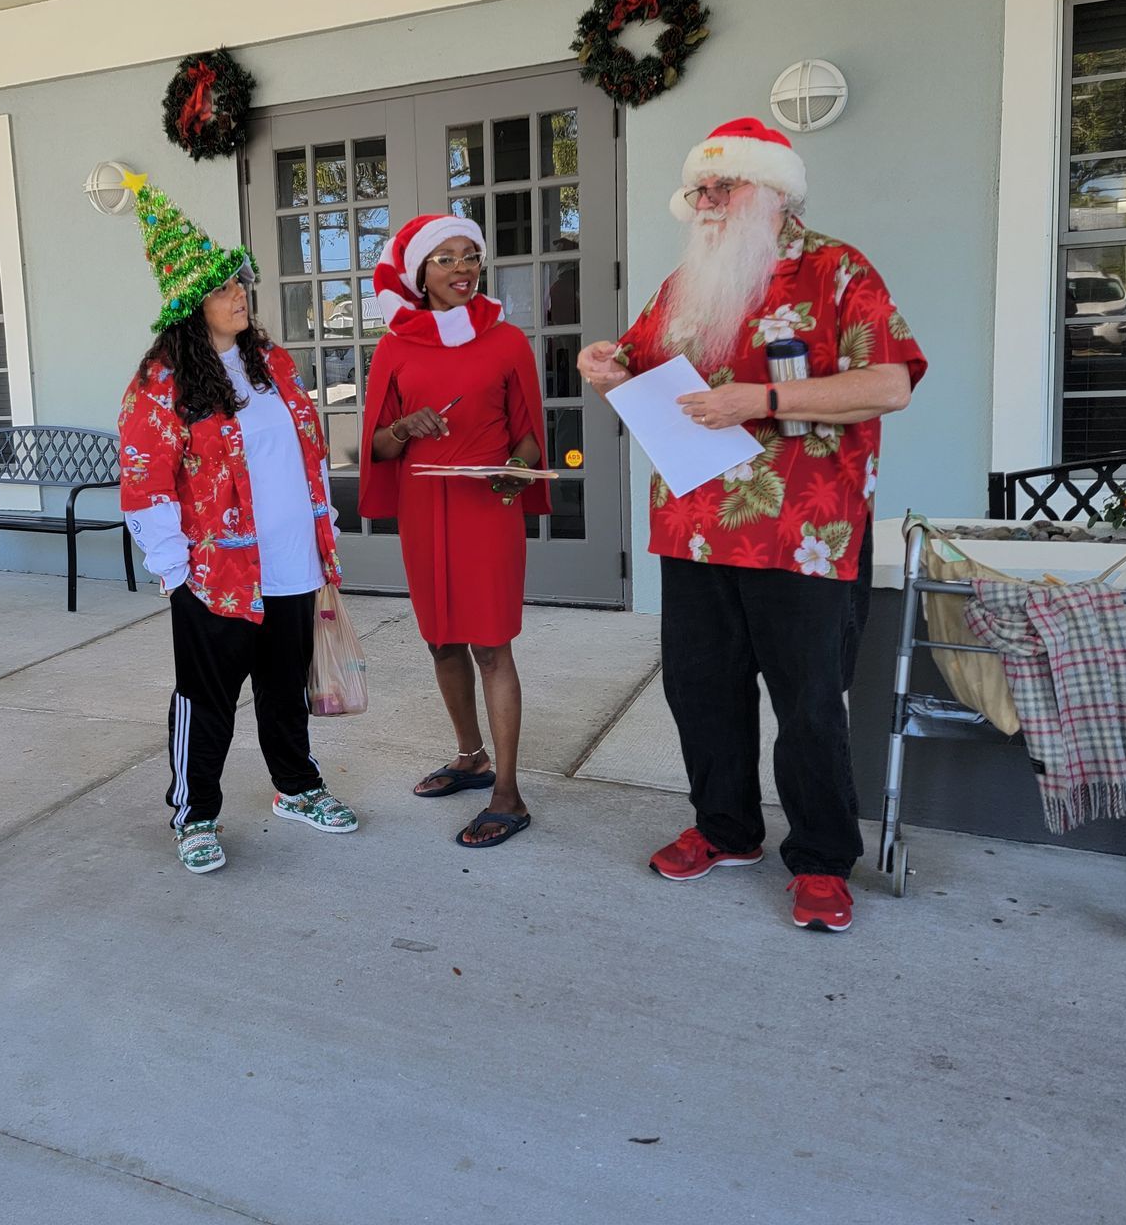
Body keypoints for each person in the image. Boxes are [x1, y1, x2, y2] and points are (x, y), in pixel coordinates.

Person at [579, 118, 927, 933]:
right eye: (699, 189)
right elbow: (636, 375)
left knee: (807, 701)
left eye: (722, 186)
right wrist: (605, 369)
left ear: (773, 192)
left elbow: (889, 384)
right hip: (693, 526)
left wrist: (761, 400)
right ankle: (726, 829)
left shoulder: (838, 269)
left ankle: (821, 858)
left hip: (802, 533)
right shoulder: (683, 286)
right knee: (699, 688)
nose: (705, 203)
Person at [115, 172, 359, 874]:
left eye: (241, 282)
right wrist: (174, 571)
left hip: (290, 564)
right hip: (215, 574)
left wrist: (323, 534)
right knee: (207, 699)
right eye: (224, 288)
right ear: (193, 306)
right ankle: (194, 814)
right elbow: (145, 483)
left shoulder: (273, 363)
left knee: (286, 691)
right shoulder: (162, 384)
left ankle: (297, 786)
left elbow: (304, 456)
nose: (240, 293)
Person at [359, 215, 551, 848]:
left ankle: (508, 793)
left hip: (484, 510)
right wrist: (405, 428)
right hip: (424, 508)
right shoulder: (395, 345)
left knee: (491, 647)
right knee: (441, 641)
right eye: (446, 258)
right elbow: (379, 446)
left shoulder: (506, 341)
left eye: (471, 256)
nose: (464, 268)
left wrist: (517, 471)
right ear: (420, 273)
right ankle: (470, 757)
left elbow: (527, 434)